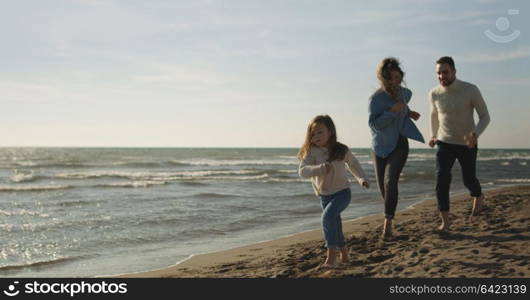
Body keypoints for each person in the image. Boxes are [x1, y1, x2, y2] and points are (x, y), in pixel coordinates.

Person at [298, 115, 369, 269]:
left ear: (330, 131)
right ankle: (344, 253)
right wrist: (320, 168)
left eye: (319, 132)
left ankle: (331, 258)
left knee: (327, 218)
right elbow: (302, 171)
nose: (315, 136)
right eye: (312, 133)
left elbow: (353, 164)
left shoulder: (341, 149)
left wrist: (361, 178)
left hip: (342, 192)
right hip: (324, 196)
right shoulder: (310, 152)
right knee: (334, 224)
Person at [429, 56, 490, 231]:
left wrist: (475, 134)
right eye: (438, 73)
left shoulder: (470, 90)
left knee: (469, 179)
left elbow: (485, 116)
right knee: (442, 179)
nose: (442, 76)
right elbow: (434, 115)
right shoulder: (434, 93)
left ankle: (478, 196)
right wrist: (433, 135)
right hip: (444, 142)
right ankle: (445, 221)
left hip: (467, 143)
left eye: (445, 72)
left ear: (454, 71)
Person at [368, 57, 425, 238]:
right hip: (380, 147)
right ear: (385, 79)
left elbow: (402, 107)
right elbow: (374, 125)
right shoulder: (376, 99)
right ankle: (390, 213)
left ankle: (387, 223)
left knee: (391, 180)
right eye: (393, 78)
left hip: (399, 143)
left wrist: (409, 112)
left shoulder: (404, 94)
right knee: (383, 188)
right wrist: (391, 112)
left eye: (399, 77)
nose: (397, 81)